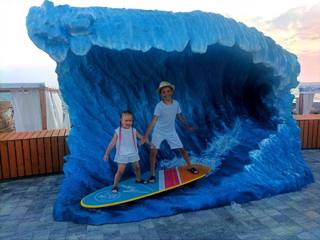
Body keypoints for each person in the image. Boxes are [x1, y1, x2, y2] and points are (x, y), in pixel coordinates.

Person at [142, 81, 198, 183]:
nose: (166, 94)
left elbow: (179, 115)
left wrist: (187, 126)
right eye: (163, 92)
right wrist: (146, 135)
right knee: (153, 152)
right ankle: (152, 174)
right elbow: (154, 120)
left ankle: (189, 166)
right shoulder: (159, 106)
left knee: (182, 149)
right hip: (158, 132)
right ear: (161, 94)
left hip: (171, 132)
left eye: (168, 91)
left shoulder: (176, 103)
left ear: (171, 92)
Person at [103, 110, 150, 193]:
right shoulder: (118, 131)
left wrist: (146, 141)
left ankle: (138, 179)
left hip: (133, 153)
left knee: (137, 167)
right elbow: (112, 143)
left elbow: (141, 137)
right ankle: (115, 185)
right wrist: (106, 153)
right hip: (122, 155)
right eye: (126, 120)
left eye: (130, 121)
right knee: (120, 171)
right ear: (121, 120)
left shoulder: (134, 130)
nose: (128, 122)